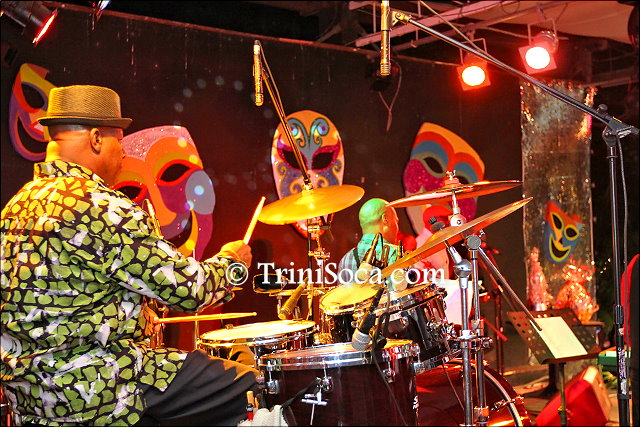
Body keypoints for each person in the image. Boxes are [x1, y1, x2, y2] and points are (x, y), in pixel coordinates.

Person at [0, 85, 257, 426]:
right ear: (96, 139)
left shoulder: (14, 208)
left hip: (31, 399)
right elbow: (189, 290)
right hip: (100, 387)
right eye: (119, 141)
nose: (122, 154)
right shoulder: (99, 206)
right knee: (253, 386)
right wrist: (232, 264)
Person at [337, 198, 400, 286]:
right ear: (385, 219)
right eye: (396, 221)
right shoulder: (395, 254)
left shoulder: (345, 259)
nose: (397, 228)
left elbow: (340, 294)